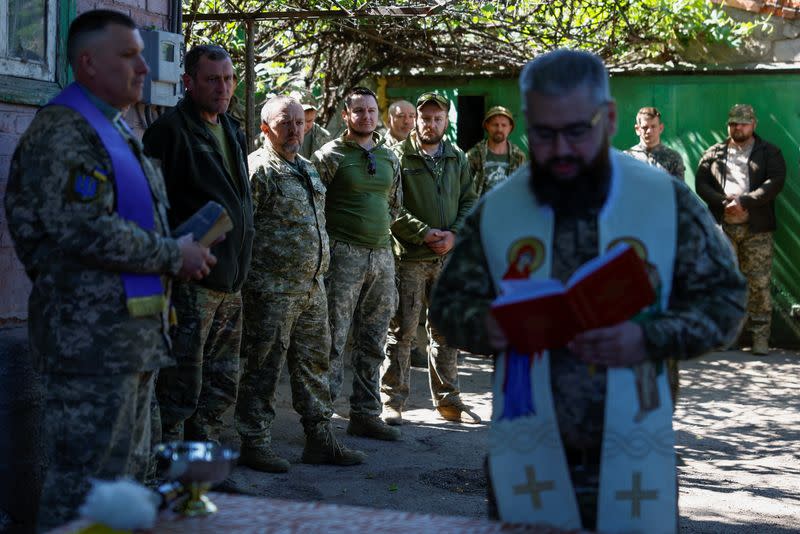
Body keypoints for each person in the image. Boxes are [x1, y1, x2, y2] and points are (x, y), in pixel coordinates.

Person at [428, 49, 746, 531]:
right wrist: (494, 326)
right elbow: (449, 306)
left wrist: (648, 338)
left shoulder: (663, 199)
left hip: (633, 443)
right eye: (543, 133)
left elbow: (726, 299)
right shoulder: (501, 209)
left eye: (576, 130)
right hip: (528, 445)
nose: (560, 150)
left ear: (610, 118)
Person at [4, 10, 216, 529]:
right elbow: (82, 229)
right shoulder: (64, 132)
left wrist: (176, 251)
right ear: (86, 62)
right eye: (128, 55)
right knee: (85, 487)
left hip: (127, 338)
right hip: (89, 342)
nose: (144, 67)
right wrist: (172, 255)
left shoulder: (113, 130)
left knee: (122, 483)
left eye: (143, 54)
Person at [235, 95, 366, 472]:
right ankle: (255, 441)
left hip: (312, 287)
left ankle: (320, 438)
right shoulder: (258, 170)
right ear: (265, 128)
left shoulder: (307, 168)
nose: (295, 129)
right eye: (284, 123)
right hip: (271, 289)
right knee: (264, 366)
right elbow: (243, 231)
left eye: (299, 122)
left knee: (314, 365)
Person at [143, 45, 254, 446]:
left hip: (231, 282)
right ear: (188, 82)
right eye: (212, 79)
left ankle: (201, 471)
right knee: (180, 386)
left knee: (220, 385)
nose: (222, 88)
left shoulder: (232, 129)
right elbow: (151, 208)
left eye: (228, 79)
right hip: (192, 283)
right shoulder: (169, 131)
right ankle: (168, 477)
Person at [382, 92, 479, 425]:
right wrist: (422, 232)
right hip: (410, 257)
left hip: (447, 259)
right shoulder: (397, 156)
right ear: (415, 120)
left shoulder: (457, 158)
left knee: (445, 332)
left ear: (446, 121)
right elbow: (391, 206)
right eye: (425, 117)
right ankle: (392, 401)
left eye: (437, 118)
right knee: (402, 332)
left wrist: (454, 234)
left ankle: (449, 400)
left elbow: (469, 201)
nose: (430, 123)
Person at [312, 87, 402, 441]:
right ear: (345, 116)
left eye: (370, 111)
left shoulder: (390, 157)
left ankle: (366, 413)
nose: (366, 117)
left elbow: (395, 204)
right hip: (343, 255)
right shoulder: (330, 155)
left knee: (374, 338)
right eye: (358, 112)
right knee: (333, 339)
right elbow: (314, 205)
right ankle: (323, 420)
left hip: (382, 255)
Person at [695, 104, 786, 355]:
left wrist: (744, 201)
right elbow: (701, 182)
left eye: (744, 123)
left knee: (758, 283)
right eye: (734, 123)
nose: (739, 127)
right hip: (723, 227)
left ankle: (760, 337)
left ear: (754, 124)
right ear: (729, 125)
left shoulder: (769, 152)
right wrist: (723, 202)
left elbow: (775, 181)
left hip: (757, 228)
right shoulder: (714, 152)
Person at [466, 105, 527, 196]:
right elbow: (463, 189)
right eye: (495, 125)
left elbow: (523, 190)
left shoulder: (518, 157)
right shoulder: (474, 155)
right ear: (487, 126)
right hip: (482, 209)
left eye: (504, 125)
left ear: (510, 127)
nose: (499, 129)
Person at [625, 107, 685, 181]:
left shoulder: (673, 158)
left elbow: (679, 190)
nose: (649, 131)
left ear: (661, 128)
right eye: (645, 127)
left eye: (653, 126)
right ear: (637, 129)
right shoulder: (627, 157)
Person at [296, 90, 332, 159]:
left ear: (315, 115)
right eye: (300, 121)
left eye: (309, 121)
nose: (304, 126)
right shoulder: (284, 135)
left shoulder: (323, 136)